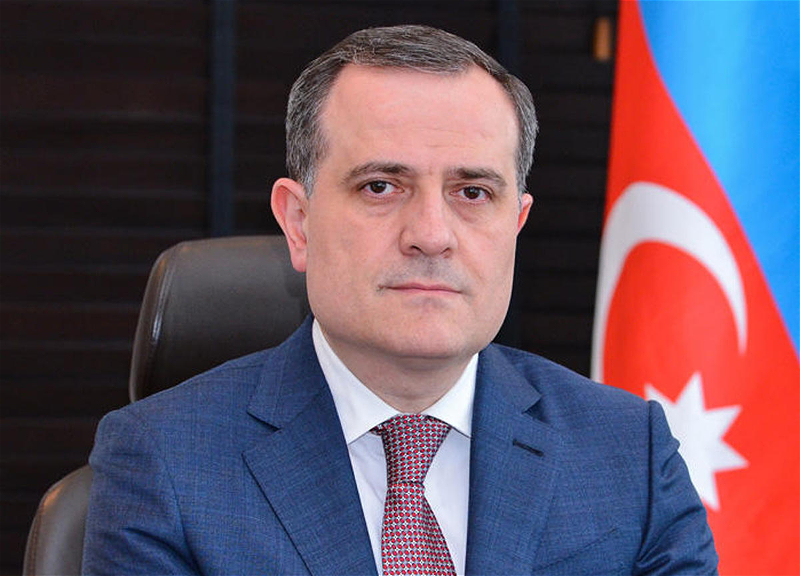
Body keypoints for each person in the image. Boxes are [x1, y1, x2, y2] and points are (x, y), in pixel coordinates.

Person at [82, 25, 717, 575]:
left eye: (473, 193)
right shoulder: (164, 462)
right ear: (299, 223)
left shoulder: (629, 453)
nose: (432, 235)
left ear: (516, 225)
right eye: (381, 186)